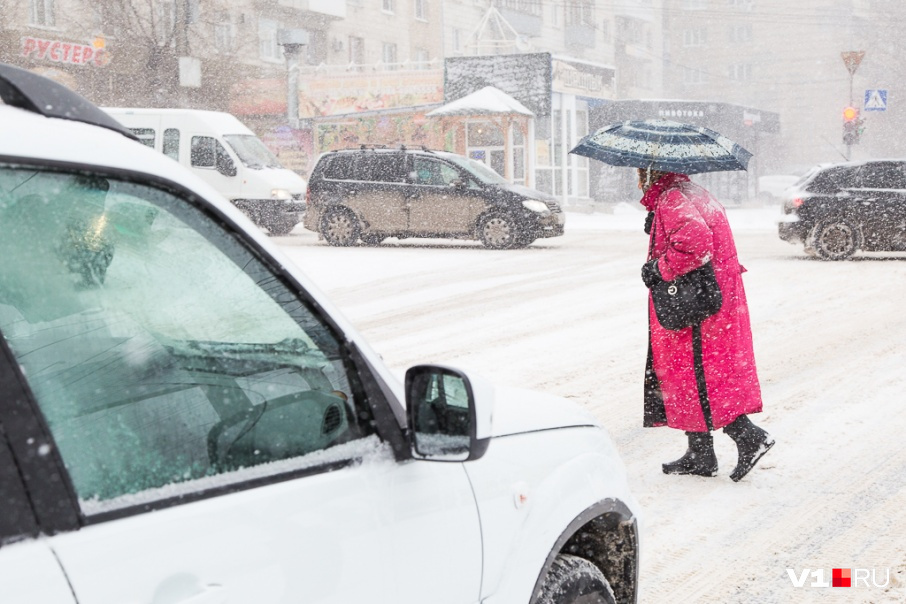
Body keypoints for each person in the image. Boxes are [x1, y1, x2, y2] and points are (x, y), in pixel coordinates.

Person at [637, 167, 774, 482]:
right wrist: (657, 226)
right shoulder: (689, 193)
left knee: (696, 375)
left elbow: (696, 243)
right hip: (712, 298)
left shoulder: (672, 198)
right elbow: (695, 233)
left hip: (695, 302)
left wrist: (660, 268)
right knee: (692, 372)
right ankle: (700, 453)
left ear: (648, 172)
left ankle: (749, 437)